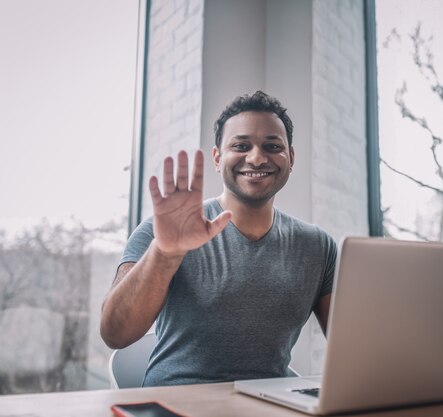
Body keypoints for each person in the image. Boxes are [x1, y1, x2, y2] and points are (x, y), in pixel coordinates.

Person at [100, 91, 337, 387]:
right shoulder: (162, 230)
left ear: (291, 157)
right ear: (217, 158)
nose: (257, 157)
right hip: (177, 404)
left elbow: (352, 348)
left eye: (272, 146)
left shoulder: (317, 246)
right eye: (241, 145)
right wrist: (165, 253)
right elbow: (114, 333)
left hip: (269, 406)